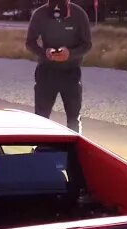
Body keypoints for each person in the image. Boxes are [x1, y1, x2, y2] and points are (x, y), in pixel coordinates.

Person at [25, 0, 93, 133]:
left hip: (71, 73)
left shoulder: (79, 14)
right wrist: (45, 53)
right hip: (46, 73)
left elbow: (87, 44)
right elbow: (30, 42)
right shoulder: (39, 14)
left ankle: (74, 148)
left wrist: (70, 54)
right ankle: (39, 148)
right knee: (41, 117)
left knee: (74, 118)